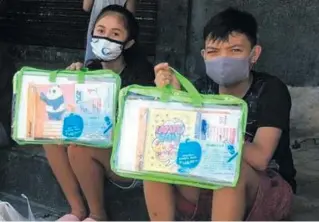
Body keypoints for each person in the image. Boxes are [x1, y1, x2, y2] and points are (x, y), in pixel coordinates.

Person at [145, 7, 296, 221]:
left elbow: (261, 158)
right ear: (204, 56)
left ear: (254, 54)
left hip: (264, 188)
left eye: (235, 50)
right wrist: (175, 98)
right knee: (156, 162)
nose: (223, 59)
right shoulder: (199, 88)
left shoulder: (271, 90)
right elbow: (172, 141)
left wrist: (214, 133)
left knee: (231, 168)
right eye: (214, 52)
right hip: (206, 179)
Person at [43, 5, 154, 221]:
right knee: (50, 135)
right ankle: (77, 211)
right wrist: (70, 83)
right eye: (100, 31)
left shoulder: (141, 79)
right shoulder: (89, 70)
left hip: (127, 162)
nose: (106, 39)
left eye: (115, 34)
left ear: (129, 42)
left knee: (80, 146)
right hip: (94, 150)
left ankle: (97, 215)